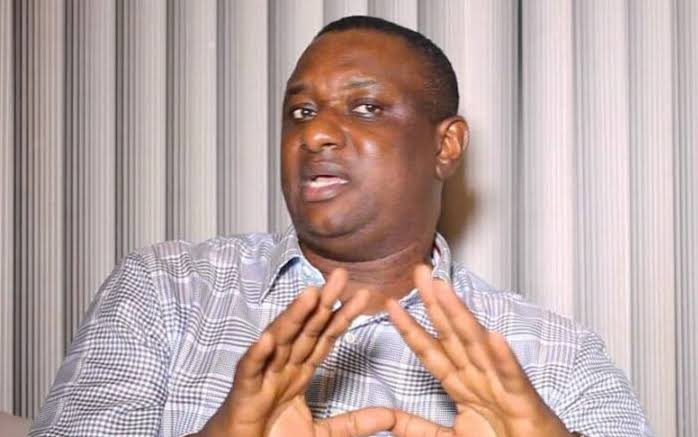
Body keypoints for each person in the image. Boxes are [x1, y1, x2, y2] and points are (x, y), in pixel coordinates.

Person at [31, 16, 652, 437]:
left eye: (366, 107)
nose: (316, 133)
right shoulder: (168, 289)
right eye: (301, 111)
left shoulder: (553, 353)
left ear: (446, 146)